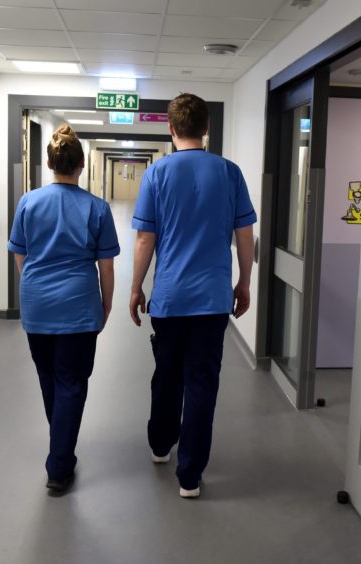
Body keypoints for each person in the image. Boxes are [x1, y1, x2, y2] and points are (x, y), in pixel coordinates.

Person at [130, 93, 256, 499]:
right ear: (206, 128)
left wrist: (136, 287)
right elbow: (245, 235)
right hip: (213, 300)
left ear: (170, 129)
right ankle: (190, 476)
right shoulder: (230, 172)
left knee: (166, 376)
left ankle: (160, 444)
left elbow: (145, 238)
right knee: (202, 383)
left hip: (168, 299)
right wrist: (244, 282)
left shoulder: (157, 174)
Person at [8, 124, 119, 495]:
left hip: (37, 307)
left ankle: (61, 449)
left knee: (49, 379)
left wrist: (36, 287)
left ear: (49, 162)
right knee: (72, 383)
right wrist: (104, 307)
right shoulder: (97, 208)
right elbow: (106, 267)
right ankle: (59, 465)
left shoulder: (28, 202)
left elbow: (20, 254)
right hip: (78, 307)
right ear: (81, 165)